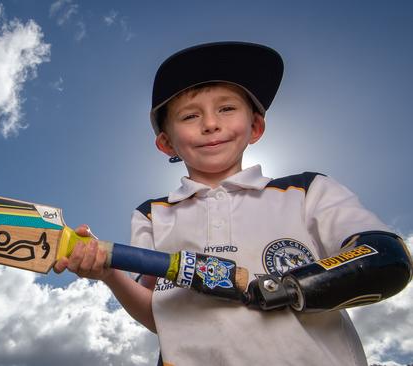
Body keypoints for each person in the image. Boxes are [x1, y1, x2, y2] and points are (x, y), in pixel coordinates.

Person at [53, 41, 412, 366]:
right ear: (166, 142)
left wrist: (287, 288)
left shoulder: (307, 191)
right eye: (190, 115)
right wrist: (108, 273)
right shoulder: (153, 213)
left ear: (255, 127)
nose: (210, 124)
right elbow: (157, 316)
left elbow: (385, 256)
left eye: (226, 108)